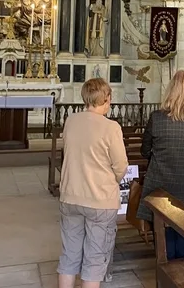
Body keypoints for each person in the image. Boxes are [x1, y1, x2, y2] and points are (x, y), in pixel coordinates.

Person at [57, 78, 128, 288]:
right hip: (100, 200)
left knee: (69, 255)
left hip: (70, 196)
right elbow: (121, 165)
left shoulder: (71, 120)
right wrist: (109, 181)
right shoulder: (111, 127)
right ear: (106, 99)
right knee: (94, 259)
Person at [136, 70, 184, 259]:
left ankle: (166, 279)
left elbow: (144, 150)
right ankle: (183, 278)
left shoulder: (158, 118)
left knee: (163, 241)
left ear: (171, 90)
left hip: (161, 189)